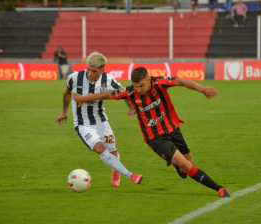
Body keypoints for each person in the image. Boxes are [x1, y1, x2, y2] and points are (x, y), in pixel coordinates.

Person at [73, 67, 231, 197]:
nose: (138, 90)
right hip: (154, 137)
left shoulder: (159, 83)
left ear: (149, 79)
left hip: (172, 129)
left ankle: (176, 164)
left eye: (141, 85)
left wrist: (202, 89)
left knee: (188, 164)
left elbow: (181, 81)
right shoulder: (130, 92)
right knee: (185, 164)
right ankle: (218, 188)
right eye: (135, 86)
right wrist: (83, 98)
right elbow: (107, 94)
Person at [54, 52, 143, 187]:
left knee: (113, 152)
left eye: (94, 71)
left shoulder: (108, 80)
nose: (90, 73)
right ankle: (130, 175)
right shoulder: (75, 77)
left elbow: (123, 93)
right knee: (100, 149)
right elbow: (67, 92)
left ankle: (115, 169)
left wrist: (131, 107)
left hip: (101, 122)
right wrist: (64, 112)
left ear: (102, 69)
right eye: (88, 69)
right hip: (83, 124)